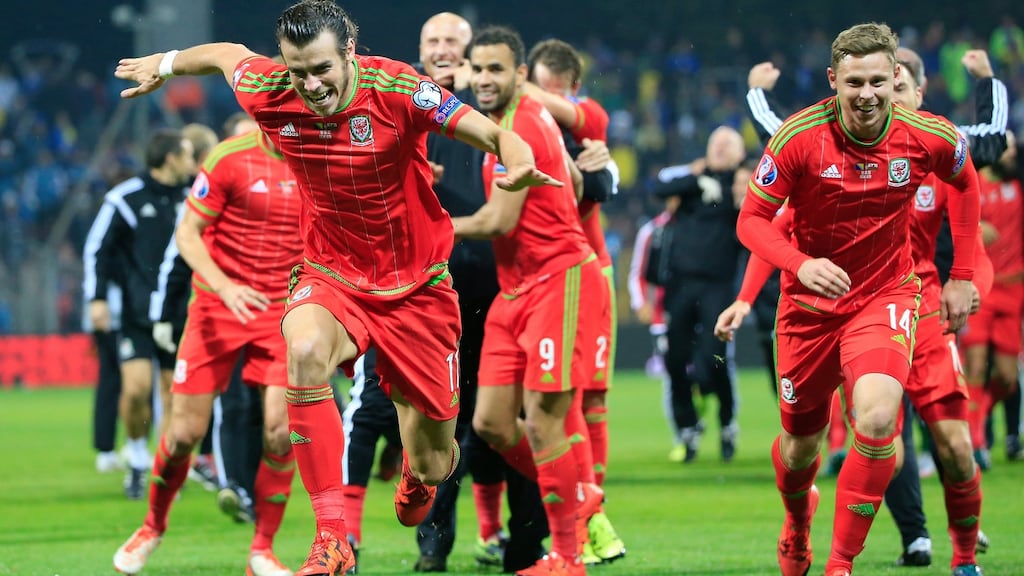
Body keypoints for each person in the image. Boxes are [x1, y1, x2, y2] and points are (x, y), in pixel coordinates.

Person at [113, 2, 562, 574]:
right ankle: (331, 537)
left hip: (418, 289)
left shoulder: (399, 88)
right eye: (298, 70)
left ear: (349, 52)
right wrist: (167, 63)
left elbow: (492, 133)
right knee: (303, 351)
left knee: (433, 461)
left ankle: (419, 472)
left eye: (321, 68)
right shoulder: (269, 89)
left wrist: (517, 158)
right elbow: (225, 55)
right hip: (332, 273)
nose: (311, 84)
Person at [739, 48, 1007, 569]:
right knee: (800, 449)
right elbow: (754, 220)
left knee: (887, 423)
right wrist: (793, 268)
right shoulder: (801, 137)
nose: (870, 95)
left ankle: (852, 562)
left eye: (883, 83)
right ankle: (800, 520)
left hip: (895, 299)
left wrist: (963, 279)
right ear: (834, 80)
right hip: (810, 309)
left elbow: (975, 168)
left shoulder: (930, 138)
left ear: (905, 85)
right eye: (856, 82)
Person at [115, 126, 303, 576]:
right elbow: (187, 234)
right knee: (183, 434)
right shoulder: (228, 158)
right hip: (218, 306)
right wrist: (224, 286)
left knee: (282, 433)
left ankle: (262, 549)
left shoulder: (321, 157)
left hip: (283, 310)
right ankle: (152, 526)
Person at [458, 25, 604, 576]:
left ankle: (567, 555)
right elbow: (573, 179)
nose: (483, 78)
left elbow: (498, 219)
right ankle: (573, 487)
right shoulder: (513, 121)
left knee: (544, 423)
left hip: (557, 281)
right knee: (492, 423)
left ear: (520, 73)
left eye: (496, 69)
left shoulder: (519, 124)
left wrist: (429, 229)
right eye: (478, 68)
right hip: (515, 288)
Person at [410, 12, 549, 573]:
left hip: (503, 289)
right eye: (433, 40)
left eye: (454, 42)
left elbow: (580, 161)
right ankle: (433, 546)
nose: (443, 49)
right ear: (421, 51)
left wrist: (600, 172)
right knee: (438, 417)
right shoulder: (402, 112)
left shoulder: (502, 115)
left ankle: (529, 542)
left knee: (507, 419)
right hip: (430, 293)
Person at [523, 37, 626, 565]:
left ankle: (592, 515)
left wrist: (523, 90)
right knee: (557, 402)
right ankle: (586, 517)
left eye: (558, 93)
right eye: (541, 88)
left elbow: (598, 179)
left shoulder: (589, 118)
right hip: (541, 275)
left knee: (590, 400)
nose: (549, 100)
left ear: (575, 90)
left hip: (589, 270)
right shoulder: (520, 127)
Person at [83, 129, 196, 500]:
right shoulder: (125, 198)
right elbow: (97, 249)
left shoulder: (195, 194)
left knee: (172, 393)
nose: (192, 163)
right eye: (187, 155)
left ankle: (164, 468)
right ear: (170, 159)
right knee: (135, 389)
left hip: (180, 311)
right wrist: (97, 298)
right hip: (136, 312)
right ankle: (135, 456)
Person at [650, 126, 746, 464]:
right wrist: (695, 178)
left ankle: (726, 420)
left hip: (718, 286)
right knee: (675, 359)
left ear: (739, 152)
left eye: (727, 144)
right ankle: (687, 426)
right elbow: (658, 187)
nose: (719, 148)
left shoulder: (741, 184)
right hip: (681, 285)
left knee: (713, 360)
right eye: (715, 142)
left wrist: (735, 189)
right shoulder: (692, 181)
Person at [961, 132, 1022, 467]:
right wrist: (975, 225)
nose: (1012, 154)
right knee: (975, 364)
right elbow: (953, 219)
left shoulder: (1019, 185)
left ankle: (980, 410)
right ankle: (976, 441)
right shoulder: (972, 182)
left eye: (1014, 149)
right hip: (982, 286)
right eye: (1006, 148)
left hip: (1014, 290)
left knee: (1008, 377)